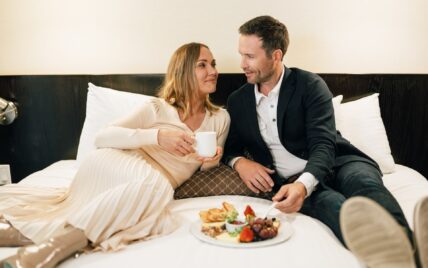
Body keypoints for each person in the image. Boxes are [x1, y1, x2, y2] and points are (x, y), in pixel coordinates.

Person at [0, 42, 230, 267]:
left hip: (146, 183)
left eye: (213, 64)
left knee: (155, 190)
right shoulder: (157, 108)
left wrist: (213, 160)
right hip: (117, 162)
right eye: (203, 65)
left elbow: (205, 167)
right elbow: (102, 137)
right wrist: (157, 136)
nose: (213, 71)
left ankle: (43, 243)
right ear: (183, 72)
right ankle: (49, 251)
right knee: (157, 189)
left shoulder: (220, 118)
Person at [223, 15, 427, 268]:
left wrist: (305, 184)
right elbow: (229, 148)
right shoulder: (237, 100)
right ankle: (390, 260)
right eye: (241, 54)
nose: (242, 63)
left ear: (276, 55)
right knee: (334, 206)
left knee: (364, 184)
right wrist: (239, 162)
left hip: (340, 162)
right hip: (288, 182)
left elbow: (323, 144)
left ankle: (412, 251)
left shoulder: (310, 85)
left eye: (250, 57)